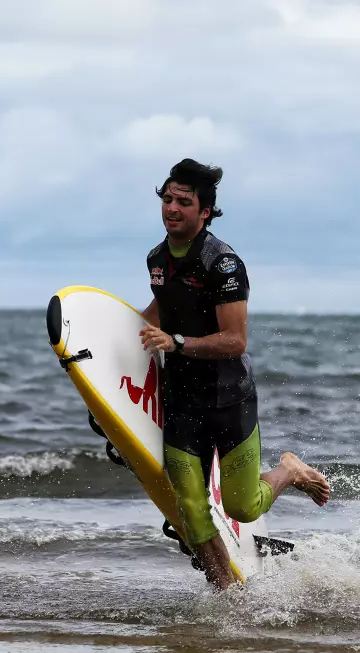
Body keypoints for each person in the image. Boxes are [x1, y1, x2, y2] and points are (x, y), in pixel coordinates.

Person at [138, 158, 330, 590]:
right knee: (189, 505)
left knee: (244, 508)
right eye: (167, 199)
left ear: (204, 211)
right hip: (182, 400)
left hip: (228, 399)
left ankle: (289, 471)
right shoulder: (156, 259)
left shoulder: (223, 263)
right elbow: (155, 313)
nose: (171, 208)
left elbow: (235, 340)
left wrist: (178, 343)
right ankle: (228, 595)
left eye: (183, 202)